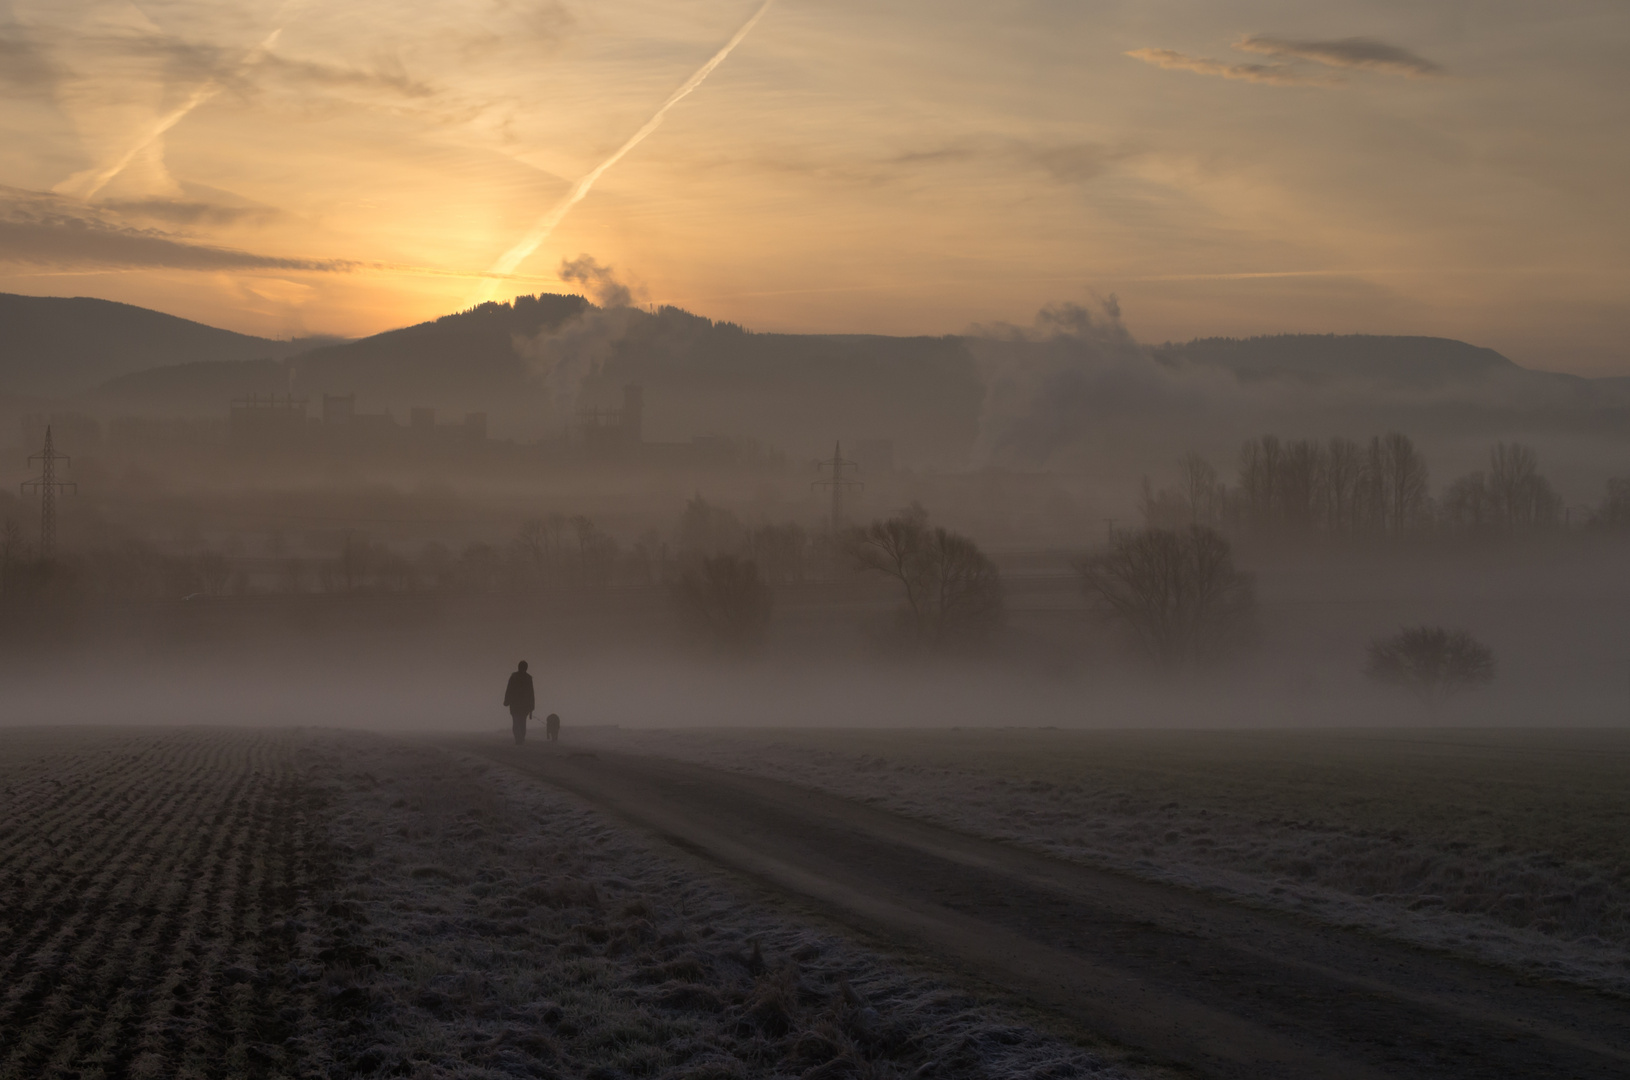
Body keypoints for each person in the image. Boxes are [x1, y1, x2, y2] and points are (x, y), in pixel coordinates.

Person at [503, 661, 534, 744]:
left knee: (516, 722)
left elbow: (509, 689)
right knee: (522, 722)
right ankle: (521, 738)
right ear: (526, 668)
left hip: (515, 704)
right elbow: (531, 693)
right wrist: (532, 705)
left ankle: (519, 739)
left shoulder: (514, 676)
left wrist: (506, 701)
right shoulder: (528, 678)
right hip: (524, 705)